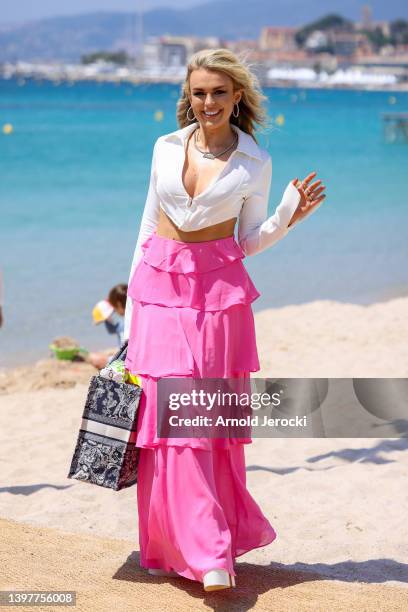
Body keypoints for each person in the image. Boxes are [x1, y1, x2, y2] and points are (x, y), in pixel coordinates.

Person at [123, 48, 326, 592]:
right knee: (168, 420)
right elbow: (146, 226)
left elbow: (249, 239)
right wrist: (127, 318)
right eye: (198, 92)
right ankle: (183, 547)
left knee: (201, 418)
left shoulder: (254, 161)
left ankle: (209, 545)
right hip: (158, 289)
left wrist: (288, 217)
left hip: (218, 291)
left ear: (237, 96)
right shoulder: (165, 147)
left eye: (218, 92)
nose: (207, 102)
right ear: (187, 97)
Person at [87, 284, 127, 370]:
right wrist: (106, 318)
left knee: (93, 358)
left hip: (123, 362)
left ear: (119, 304)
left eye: (114, 307)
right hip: (123, 358)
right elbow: (113, 330)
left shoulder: (125, 325)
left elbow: (126, 355)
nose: (114, 310)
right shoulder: (126, 321)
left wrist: (108, 360)